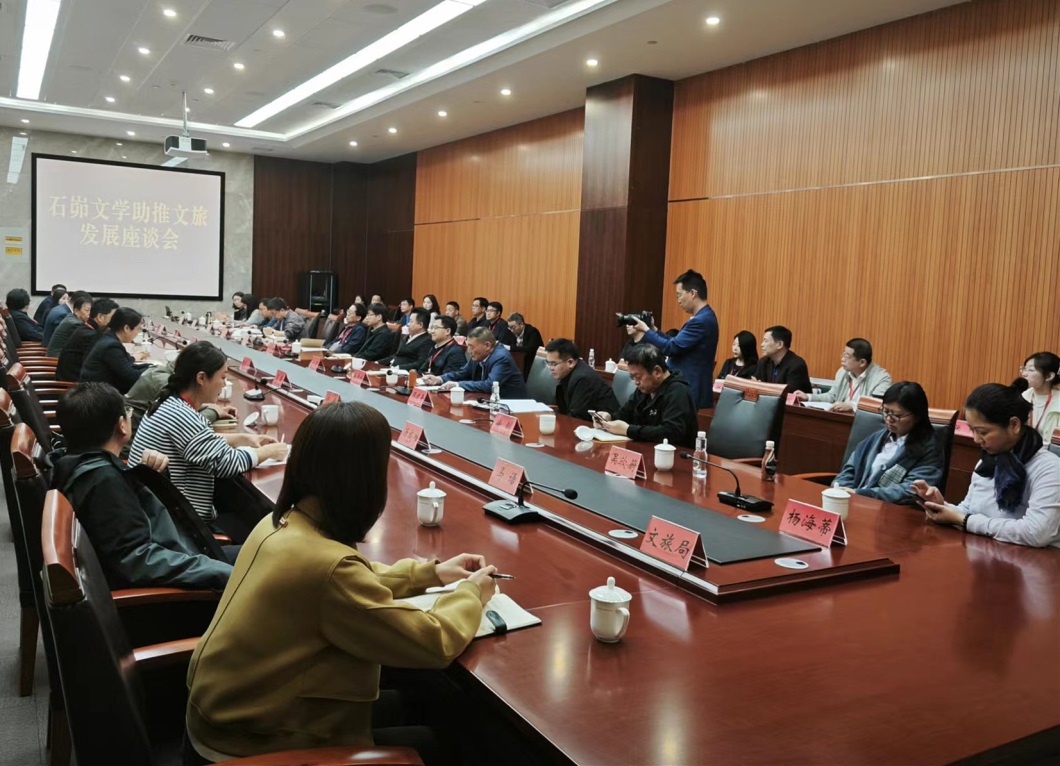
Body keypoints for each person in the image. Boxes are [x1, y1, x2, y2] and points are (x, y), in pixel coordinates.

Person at [185, 401, 494, 762]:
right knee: (441, 738)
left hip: (229, 717)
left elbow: (352, 580)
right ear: (363, 479)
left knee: (417, 701)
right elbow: (433, 642)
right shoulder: (329, 568)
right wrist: (471, 593)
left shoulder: (280, 523)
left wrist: (431, 574)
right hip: (253, 744)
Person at [51, 382, 234, 590]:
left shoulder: (79, 465)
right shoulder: (104, 481)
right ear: (122, 425)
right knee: (259, 565)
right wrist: (226, 574)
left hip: (178, 554)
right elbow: (138, 559)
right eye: (127, 412)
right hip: (173, 584)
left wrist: (149, 477)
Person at [129, 342, 288, 526]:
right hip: (179, 525)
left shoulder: (169, 401)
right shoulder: (182, 416)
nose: (224, 383)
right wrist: (268, 452)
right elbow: (227, 463)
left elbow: (196, 442)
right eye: (222, 377)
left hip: (156, 511)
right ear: (202, 378)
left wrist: (243, 438)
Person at [915, 383, 1060, 548]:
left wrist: (966, 521)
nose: (976, 440)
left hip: (1034, 559)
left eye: (983, 432)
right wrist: (942, 507)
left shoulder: (1049, 468)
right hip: (987, 551)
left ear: (1014, 425)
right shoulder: (987, 462)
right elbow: (970, 510)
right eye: (972, 430)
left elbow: (1036, 533)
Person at [831, 382, 944, 504]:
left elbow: (911, 490)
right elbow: (850, 469)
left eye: (897, 415)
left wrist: (860, 494)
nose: (889, 419)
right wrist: (842, 489)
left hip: (890, 510)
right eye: (885, 411)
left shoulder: (930, 448)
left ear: (917, 416)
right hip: (852, 501)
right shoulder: (877, 437)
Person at [631, 269, 719, 409]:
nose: (678, 300)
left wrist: (646, 331)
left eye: (679, 295)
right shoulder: (703, 317)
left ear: (692, 293)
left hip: (690, 388)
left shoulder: (701, 321)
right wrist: (654, 329)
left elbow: (671, 348)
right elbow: (675, 343)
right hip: (685, 387)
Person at [596, 344, 698, 447]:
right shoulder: (644, 389)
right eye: (632, 377)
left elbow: (671, 432)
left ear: (657, 372)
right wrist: (609, 418)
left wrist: (629, 430)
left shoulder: (678, 391)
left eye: (638, 376)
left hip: (674, 453)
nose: (635, 382)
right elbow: (625, 414)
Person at [422, 326, 528, 398]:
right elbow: (462, 373)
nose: (468, 351)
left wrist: (458, 385)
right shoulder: (479, 355)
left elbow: (489, 385)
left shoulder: (501, 358)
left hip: (511, 405)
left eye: (471, 347)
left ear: (487, 345)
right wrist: (439, 379)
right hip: (487, 401)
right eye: (468, 346)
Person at [795, 338, 892, 412]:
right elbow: (832, 396)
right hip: (841, 418)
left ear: (862, 362)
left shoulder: (882, 379)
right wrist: (808, 397)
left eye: (847, 356)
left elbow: (877, 405)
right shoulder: (842, 372)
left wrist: (852, 406)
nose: (842, 359)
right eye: (843, 354)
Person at [80, 307, 151, 394]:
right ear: (126, 328)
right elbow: (131, 376)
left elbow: (128, 364)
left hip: (95, 390)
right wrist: (154, 371)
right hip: (96, 395)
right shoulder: (111, 346)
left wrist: (151, 367)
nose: (138, 333)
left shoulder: (108, 337)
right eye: (138, 329)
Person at [546, 338, 619, 422]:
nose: (550, 368)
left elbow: (575, 418)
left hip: (607, 426)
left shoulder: (583, 379)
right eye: (548, 363)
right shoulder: (567, 374)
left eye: (553, 364)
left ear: (570, 362)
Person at [57, 298, 118, 382]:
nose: (115, 322)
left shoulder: (86, 328)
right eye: (113, 318)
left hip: (75, 379)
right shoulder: (90, 335)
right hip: (74, 384)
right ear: (100, 317)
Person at [754, 325, 812, 394]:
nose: (762, 344)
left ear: (780, 344)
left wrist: (762, 388)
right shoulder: (764, 362)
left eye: (766, 341)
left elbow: (789, 394)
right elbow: (756, 383)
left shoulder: (796, 365)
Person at [1020, 352, 1060, 440]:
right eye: (1024, 369)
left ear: (1049, 376)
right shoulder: (1022, 397)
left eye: (1031, 370)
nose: (1024, 374)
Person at [47, 291, 93, 357]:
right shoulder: (75, 324)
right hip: (57, 357)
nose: (89, 314)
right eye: (87, 310)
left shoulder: (71, 316)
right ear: (76, 311)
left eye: (91, 310)